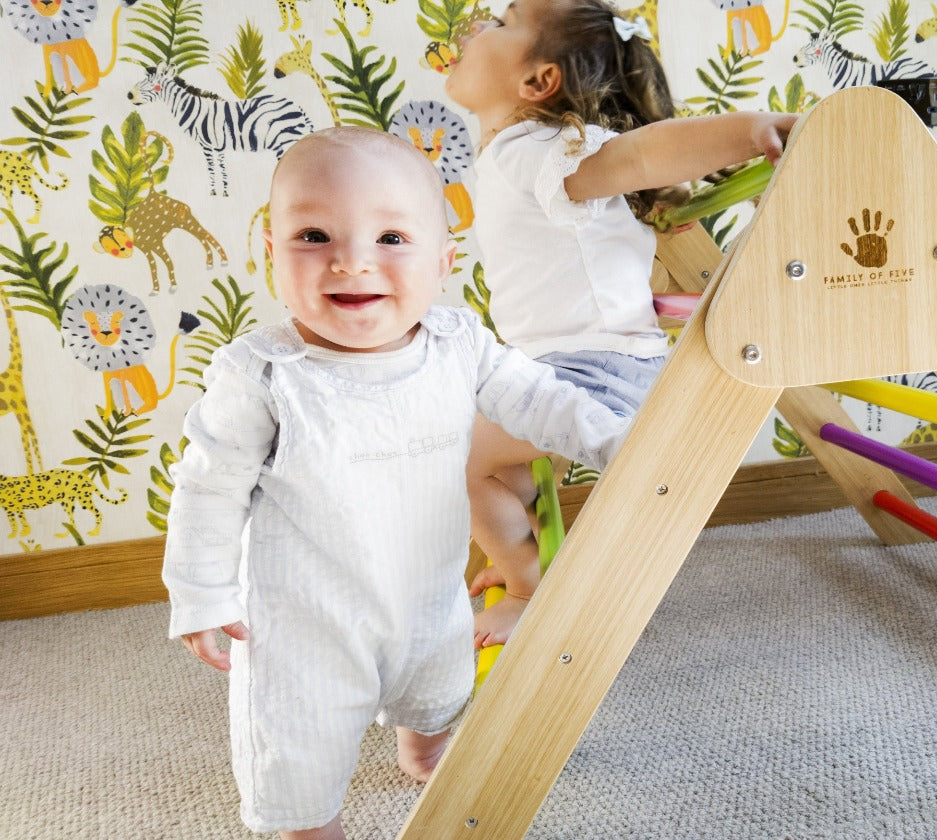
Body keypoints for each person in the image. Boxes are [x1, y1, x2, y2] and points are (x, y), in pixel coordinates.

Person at [161, 126, 631, 840]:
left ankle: (426, 745)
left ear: (442, 262)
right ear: (271, 256)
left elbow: (540, 398)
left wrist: (614, 439)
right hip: (304, 622)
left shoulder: (458, 345)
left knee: (438, 684)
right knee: (300, 745)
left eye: (391, 239)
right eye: (315, 235)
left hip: (425, 592)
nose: (352, 261)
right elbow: (208, 487)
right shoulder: (262, 374)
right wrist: (200, 592)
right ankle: (313, 826)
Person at [444, 0, 798, 647]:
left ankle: (529, 591)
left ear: (537, 83)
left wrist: (750, 131)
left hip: (594, 369)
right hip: (559, 363)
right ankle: (522, 558)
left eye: (501, 24)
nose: (477, 25)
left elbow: (639, 158)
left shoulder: (546, 148)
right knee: (487, 461)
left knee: (462, 454)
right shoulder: (521, 155)